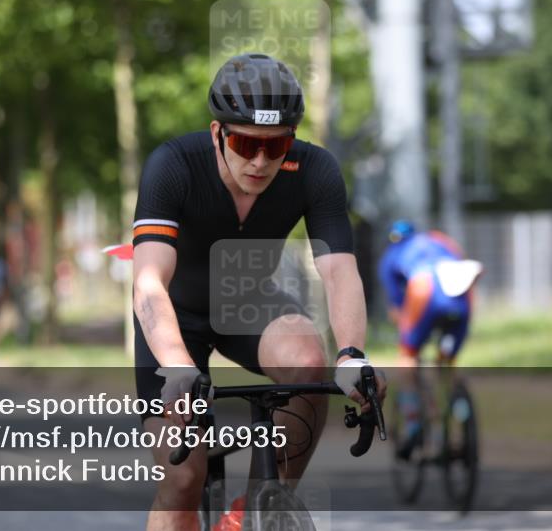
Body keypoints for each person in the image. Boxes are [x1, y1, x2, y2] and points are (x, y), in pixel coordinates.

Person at [132, 53, 384, 531]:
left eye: (277, 146)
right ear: (216, 133)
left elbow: (339, 272)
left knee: (310, 361)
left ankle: (254, 511)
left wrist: (352, 355)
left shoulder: (316, 169)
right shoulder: (173, 165)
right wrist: (176, 363)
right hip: (174, 320)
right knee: (183, 478)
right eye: (246, 143)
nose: (261, 160)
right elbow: (148, 283)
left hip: (248, 304)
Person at [378, 220, 481, 456]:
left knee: (407, 356)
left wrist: (410, 333)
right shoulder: (438, 239)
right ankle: (458, 413)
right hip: (460, 294)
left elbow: (397, 309)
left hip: (424, 290)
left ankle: (413, 424)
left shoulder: (391, 256)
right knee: (446, 363)